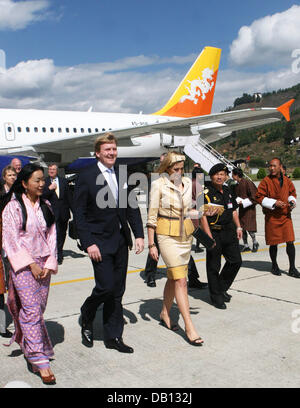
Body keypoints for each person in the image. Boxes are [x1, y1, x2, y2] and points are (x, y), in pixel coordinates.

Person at [74, 133, 144, 353]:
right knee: (105, 286)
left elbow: (131, 207)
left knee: (118, 290)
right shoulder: (86, 176)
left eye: (114, 149)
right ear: (98, 153)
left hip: (121, 241)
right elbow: (79, 213)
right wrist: (88, 243)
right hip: (99, 242)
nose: (112, 153)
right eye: (107, 150)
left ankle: (113, 336)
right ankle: (87, 312)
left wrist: (139, 234)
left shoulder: (123, 174)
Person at [1, 163, 58, 385]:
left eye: (43, 179)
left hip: (44, 263)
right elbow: (10, 239)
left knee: (38, 308)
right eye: (37, 180)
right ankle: (39, 358)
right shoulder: (13, 208)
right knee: (32, 310)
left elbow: (52, 235)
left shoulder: (46, 206)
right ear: (24, 183)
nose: (42, 183)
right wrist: (30, 264)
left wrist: (49, 262)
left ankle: (28, 341)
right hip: (23, 265)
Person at [147, 151, 206, 346]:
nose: (179, 173)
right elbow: (151, 217)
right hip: (166, 236)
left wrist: (207, 209)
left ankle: (165, 312)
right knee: (181, 279)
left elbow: (191, 210)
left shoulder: (189, 184)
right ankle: (189, 326)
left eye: (182, 169)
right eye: (175, 169)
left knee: (174, 276)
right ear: (167, 169)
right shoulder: (158, 185)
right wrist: (151, 244)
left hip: (185, 234)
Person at [200, 163, 242, 309]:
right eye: (217, 174)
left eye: (222, 174)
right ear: (211, 176)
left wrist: (239, 226)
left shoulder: (228, 190)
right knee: (213, 266)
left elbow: (234, 210)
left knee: (236, 261)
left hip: (229, 231)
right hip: (214, 232)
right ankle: (216, 296)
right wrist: (208, 236)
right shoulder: (204, 192)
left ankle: (221, 288)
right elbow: (202, 217)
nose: (220, 177)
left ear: (226, 176)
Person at [256, 157, 299, 278]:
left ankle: (292, 267)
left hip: (285, 216)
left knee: (290, 241)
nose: (271, 168)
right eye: (270, 166)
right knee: (273, 243)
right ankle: (274, 265)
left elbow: (292, 193)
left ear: (280, 167)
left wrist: (292, 201)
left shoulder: (286, 180)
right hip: (272, 217)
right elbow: (259, 197)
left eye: (274, 166)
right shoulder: (265, 181)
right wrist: (274, 202)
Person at [42, 163, 73, 265]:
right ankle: (53, 254)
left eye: (53, 169)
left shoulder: (64, 181)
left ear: (57, 171)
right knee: (53, 234)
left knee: (62, 234)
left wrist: (74, 212)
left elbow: (69, 197)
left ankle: (59, 252)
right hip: (51, 213)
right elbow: (42, 196)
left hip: (63, 213)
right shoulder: (45, 182)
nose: (51, 171)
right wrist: (49, 189)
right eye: (50, 169)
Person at [144, 153, 166, 287]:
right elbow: (151, 201)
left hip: (175, 220)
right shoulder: (154, 179)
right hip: (159, 218)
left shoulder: (177, 178)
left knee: (182, 249)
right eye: (162, 162)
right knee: (155, 247)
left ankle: (193, 277)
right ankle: (150, 275)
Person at [0, 165, 17, 338]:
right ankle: (1, 325)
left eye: (14, 175)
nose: (12, 177)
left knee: (12, 281)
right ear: (4, 177)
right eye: (9, 175)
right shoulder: (2, 193)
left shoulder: (19, 193)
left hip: (13, 241)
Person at [232, 168, 259, 252]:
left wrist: (244, 202)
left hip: (249, 209)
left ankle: (255, 242)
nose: (232, 176)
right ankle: (246, 245)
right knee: (242, 228)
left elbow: (255, 196)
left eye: (233, 174)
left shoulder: (248, 183)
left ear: (236, 175)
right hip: (242, 209)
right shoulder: (237, 185)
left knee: (250, 228)